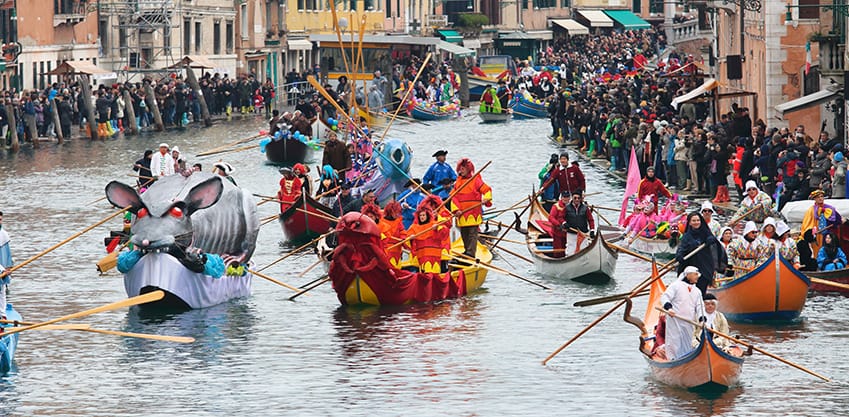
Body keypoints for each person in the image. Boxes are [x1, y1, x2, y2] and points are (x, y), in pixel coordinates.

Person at [675, 212, 728, 294]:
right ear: (689, 223)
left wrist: (711, 239)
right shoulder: (687, 236)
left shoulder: (706, 232)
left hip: (704, 266)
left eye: (698, 220)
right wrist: (680, 255)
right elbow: (682, 247)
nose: (696, 222)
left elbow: (715, 243)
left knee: (701, 289)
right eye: (694, 221)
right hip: (692, 266)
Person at [661, 265, 706, 361]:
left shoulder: (697, 291)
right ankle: (672, 359)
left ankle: (685, 359)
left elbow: (700, 306)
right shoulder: (675, 286)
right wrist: (669, 309)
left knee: (687, 341)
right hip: (675, 318)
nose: (697, 277)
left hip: (688, 321)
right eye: (695, 274)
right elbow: (665, 297)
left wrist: (702, 320)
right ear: (688, 275)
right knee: (674, 340)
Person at [450, 158, 493, 259]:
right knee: (464, 233)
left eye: (463, 168)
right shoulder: (458, 183)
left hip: (473, 212)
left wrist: (486, 199)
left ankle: (471, 253)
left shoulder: (476, 180)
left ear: (468, 169)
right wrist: (456, 210)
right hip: (462, 213)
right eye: (460, 169)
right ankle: (466, 250)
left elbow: (487, 190)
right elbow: (453, 197)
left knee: (472, 234)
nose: (461, 171)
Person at [405, 207, 449, 273]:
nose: (422, 217)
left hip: (434, 255)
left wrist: (437, 228)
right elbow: (407, 241)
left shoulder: (434, 224)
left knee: (434, 273)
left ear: (427, 216)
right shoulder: (414, 227)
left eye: (423, 215)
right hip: (422, 256)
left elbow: (444, 233)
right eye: (420, 215)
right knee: (424, 273)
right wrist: (411, 238)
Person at [801, 189, 843, 257]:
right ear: (814, 199)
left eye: (821, 196)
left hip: (828, 234)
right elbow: (807, 223)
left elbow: (838, 219)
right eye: (818, 197)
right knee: (817, 252)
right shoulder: (811, 210)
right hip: (817, 235)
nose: (820, 198)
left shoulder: (830, 208)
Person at [378, 201, 406, 268]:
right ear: (390, 211)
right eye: (396, 212)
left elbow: (403, 232)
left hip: (397, 251)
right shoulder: (381, 221)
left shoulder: (398, 221)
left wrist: (403, 239)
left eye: (398, 212)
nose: (397, 214)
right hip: (386, 250)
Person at [547, 191, 571, 258]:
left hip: (568, 232)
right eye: (564, 197)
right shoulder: (556, 206)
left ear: (569, 198)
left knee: (568, 248)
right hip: (557, 231)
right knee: (558, 250)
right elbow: (551, 217)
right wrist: (558, 225)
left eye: (567, 197)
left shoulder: (571, 206)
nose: (566, 199)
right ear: (561, 198)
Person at [0, 211, 11, 318]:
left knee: (2, 290)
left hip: (2, 267)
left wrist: (7, 267)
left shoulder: (3, 234)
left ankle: (2, 316)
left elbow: (7, 253)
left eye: (0, 220)